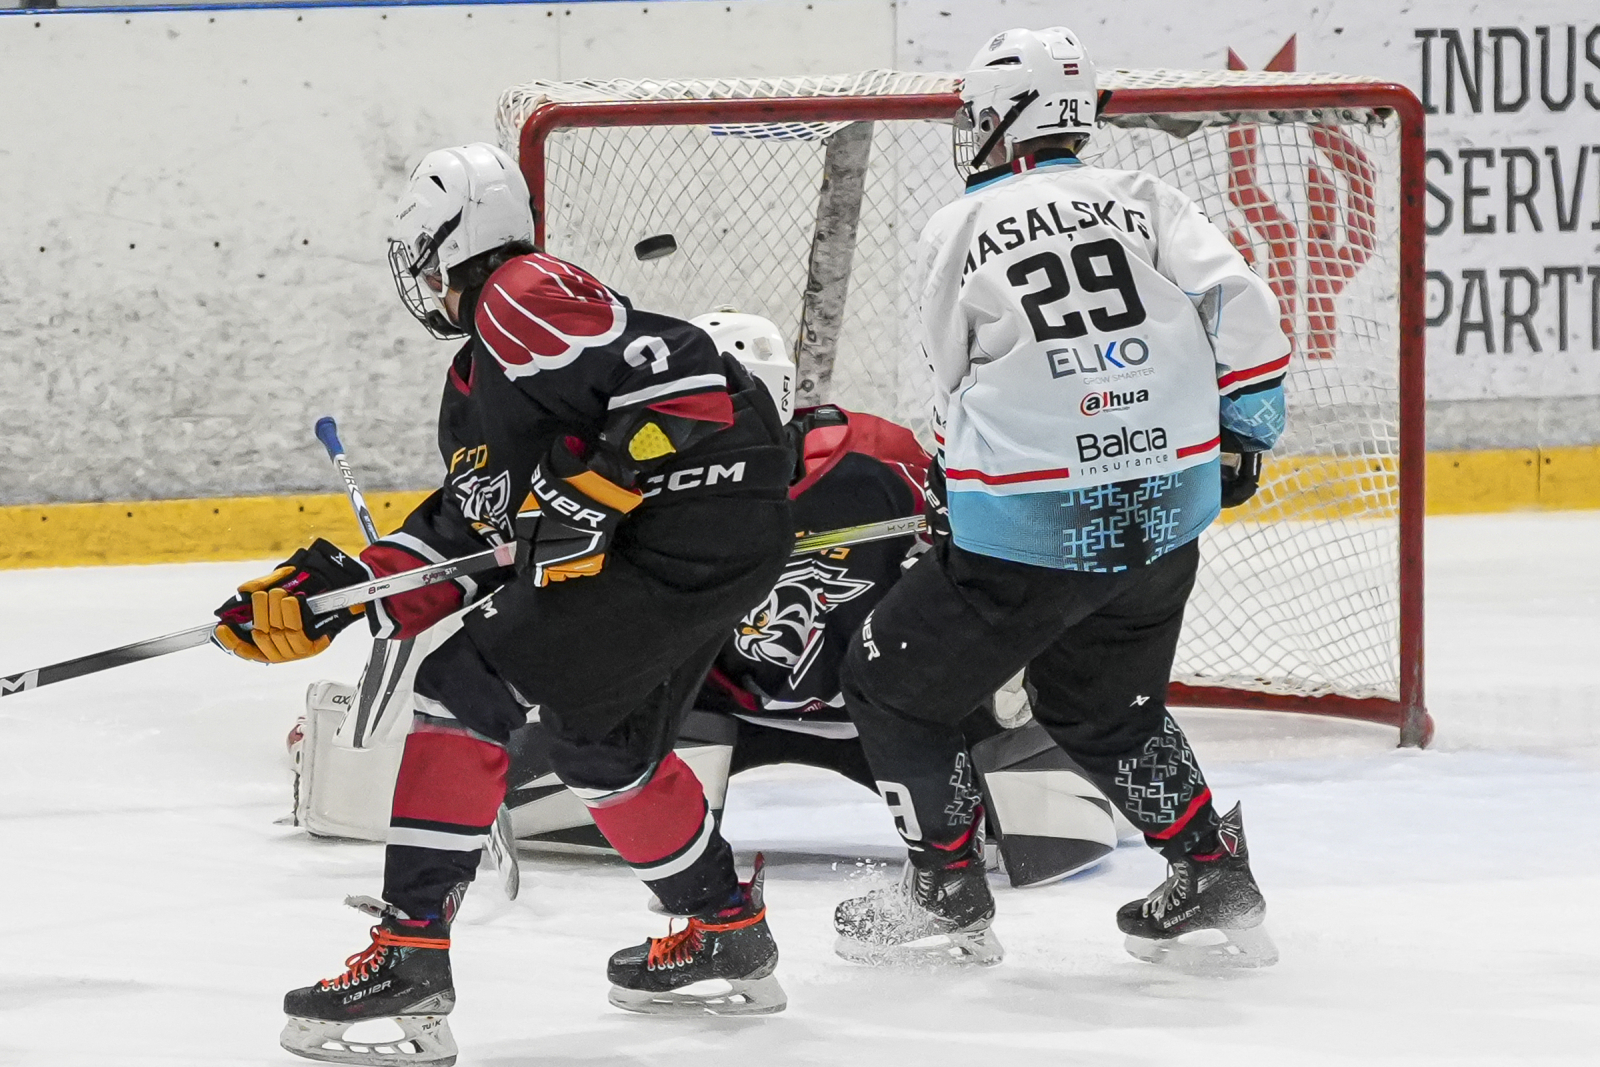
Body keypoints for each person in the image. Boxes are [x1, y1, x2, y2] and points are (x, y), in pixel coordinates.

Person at [212, 143, 795, 1066]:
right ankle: (726, 931)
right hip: (700, 543)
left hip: (690, 523)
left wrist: (601, 486)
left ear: (449, 244)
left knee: (462, 684)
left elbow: (685, 375)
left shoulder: (519, 292)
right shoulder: (480, 379)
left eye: (424, 259)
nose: (420, 280)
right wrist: (338, 594)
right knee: (597, 747)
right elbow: (469, 533)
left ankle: (409, 955)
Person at [290, 317, 1126, 894]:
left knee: (1051, 824)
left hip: (878, 707)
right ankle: (706, 905)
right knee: (571, 772)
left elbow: (987, 561)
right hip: (717, 707)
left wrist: (966, 522)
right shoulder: (636, 485)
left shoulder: (880, 461)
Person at [830, 26, 1289, 971]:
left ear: (1007, 116)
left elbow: (948, 378)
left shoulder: (961, 224)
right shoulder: (1146, 196)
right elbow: (1241, 305)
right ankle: (1212, 871)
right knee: (1104, 705)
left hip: (1032, 524)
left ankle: (946, 889)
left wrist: (952, 478)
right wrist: (1246, 429)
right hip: (1166, 509)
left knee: (887, 681)